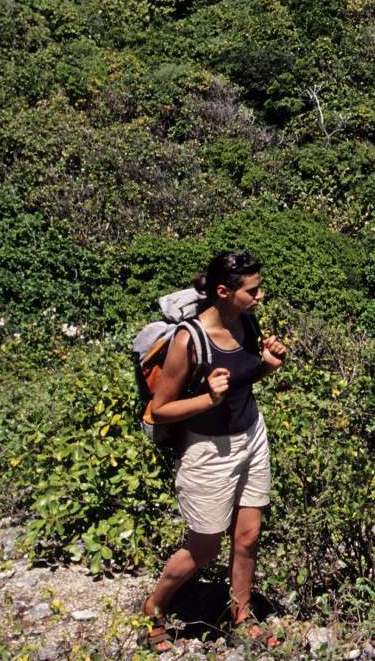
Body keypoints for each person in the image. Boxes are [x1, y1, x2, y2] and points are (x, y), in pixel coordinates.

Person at [140, 251, 287, 651]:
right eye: (252, 290)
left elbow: (240, 379)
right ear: (223, 292)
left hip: (252, 436)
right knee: (204, 547)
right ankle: (153, 608)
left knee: (248, 536)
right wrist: (207, 399)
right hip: (209, 451)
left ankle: (241, 615)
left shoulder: (246, 321)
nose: (260, 296)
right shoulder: (190, 339)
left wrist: (267, 366)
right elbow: (160, 409)